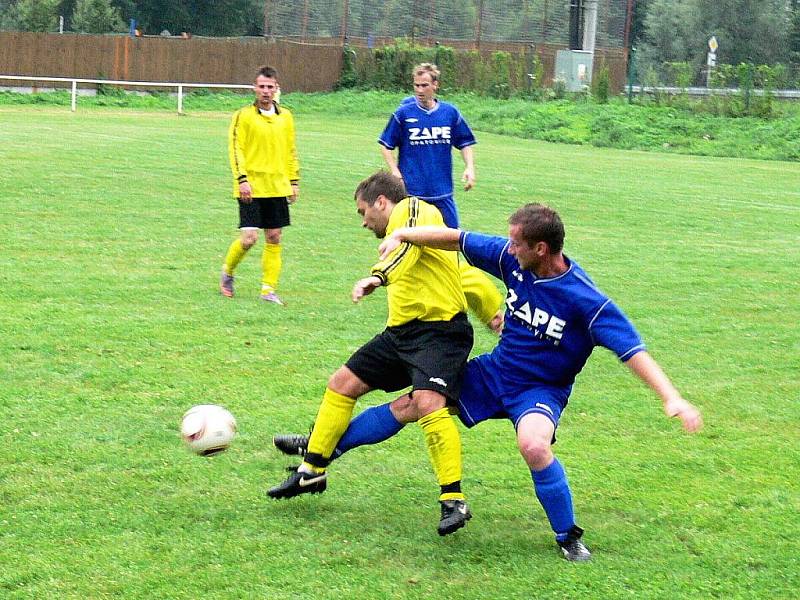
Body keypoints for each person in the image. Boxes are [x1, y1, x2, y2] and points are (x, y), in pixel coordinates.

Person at [274, 203, 703, 561]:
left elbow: (633, 351)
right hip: (494, 372)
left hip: (540, 391)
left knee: (533, 445)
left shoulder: (586, 300)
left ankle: (569, 537)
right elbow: (455, 237)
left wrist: (673, 399)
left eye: (516, 243)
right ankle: (319, 452)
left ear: (541, 248)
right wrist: (404, 236)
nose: (507, 248)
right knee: (417, 404)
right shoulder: (512, 260)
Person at [267, 171, 475, 537]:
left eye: (364, 211)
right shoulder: (400, 223)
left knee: (427, 402)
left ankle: (453, 498)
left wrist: (376, 277)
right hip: (402, 332)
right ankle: (311, 472)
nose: (364, 221)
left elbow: (407, 248)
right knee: (342, 383)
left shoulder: (413, 211)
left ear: (382, 202)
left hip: (441, 333)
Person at [379, 62, 504, 333]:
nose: (420, 90)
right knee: (409, 253)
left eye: (425, 85)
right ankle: (417, 308)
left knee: (453, 255)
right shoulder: (404, 114)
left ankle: (486, 308)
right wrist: (395, 172)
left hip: (443, 197)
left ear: (436, 85)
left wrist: (470, 168)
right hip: (414, 199)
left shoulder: (449, 113)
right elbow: (385, 144)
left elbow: (465, 142)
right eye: (416, 85)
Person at [219, 65, 299, 305]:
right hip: (251, 187)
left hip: (277, 186)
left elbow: (291, 150)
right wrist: (242, 179)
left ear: (276, 89)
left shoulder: (286, 117)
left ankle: (268, 289)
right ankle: (227, 273)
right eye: (261, 86)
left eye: (270, 87)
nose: (265, 91)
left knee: (274, 236)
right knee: (249, 239)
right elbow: (236, 149)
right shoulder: (243, 116)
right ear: (254, 88)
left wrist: (294, 180)